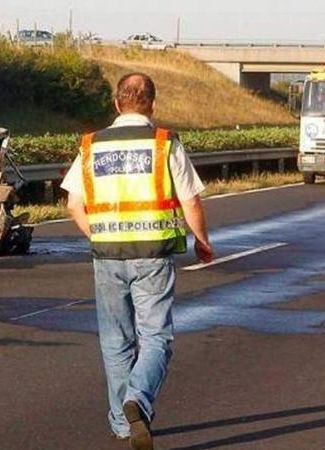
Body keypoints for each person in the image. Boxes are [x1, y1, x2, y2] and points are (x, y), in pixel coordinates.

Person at [61, 72, 214, 450]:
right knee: (156, 337)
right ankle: (138, 400)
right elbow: (190, 199)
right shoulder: (164, 144)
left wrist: (98, 234)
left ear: (116, 104)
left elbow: (73, 204)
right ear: (153, 104)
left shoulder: (91, 145)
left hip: (107, 254)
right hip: (153, 255)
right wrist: (202, 241)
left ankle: (121, 422)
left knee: (116, 341)